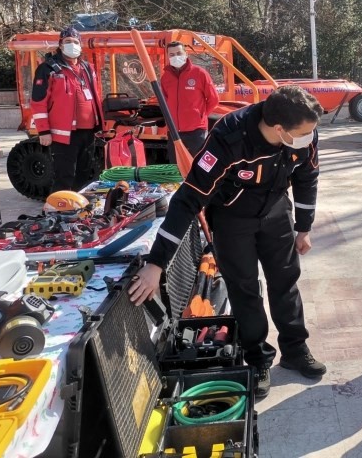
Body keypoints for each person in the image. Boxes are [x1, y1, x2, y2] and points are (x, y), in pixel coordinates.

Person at [129, 85, 326, 399]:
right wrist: (156, 263)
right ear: (279, 129)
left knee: (285, 280)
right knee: (244, 287)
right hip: (232, 216)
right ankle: (258, 358)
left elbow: (307, 176)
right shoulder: (229, 139)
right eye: (304, 133)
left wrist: (304, 228)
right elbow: (187, 200)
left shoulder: (303, 132)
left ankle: (295, 349)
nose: (310, 137)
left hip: (275, 209)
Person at [31, 26, 104, 193]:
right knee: (64, 176)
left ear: (81, 45)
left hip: (88, 132)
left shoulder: (87, 68)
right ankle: (60, 211)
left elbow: (95, 95)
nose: (72, 45)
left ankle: (80, 209)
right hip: (63, 134)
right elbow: (38, 102)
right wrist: (43, 131)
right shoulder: (48, 68)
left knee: (84, 175)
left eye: (75, 41)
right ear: (60, 44)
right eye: (67, 41)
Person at [160, 41, 219, 162]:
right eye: (172, 54)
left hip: (196, 131)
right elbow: (165, 101)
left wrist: (201, 116)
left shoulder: (199, 73)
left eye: (178, 53)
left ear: (186, 54)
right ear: (168, 57)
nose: (175, 56)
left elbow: (214, 99)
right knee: (176, 168)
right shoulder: (165, 77)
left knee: (198, 166)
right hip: (174, 131)